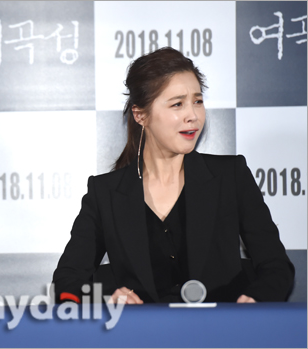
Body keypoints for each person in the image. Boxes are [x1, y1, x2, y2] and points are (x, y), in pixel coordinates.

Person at [52, 47, 294, 304]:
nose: (193, 115)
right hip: (141, 340)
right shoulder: (105, 193)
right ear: (140, 115)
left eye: (197, 101)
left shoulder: (231, 176)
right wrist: (105, 299)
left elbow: (277, 268)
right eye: (177, 104)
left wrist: (255, 299)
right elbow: (67, 282)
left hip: (221, 337)